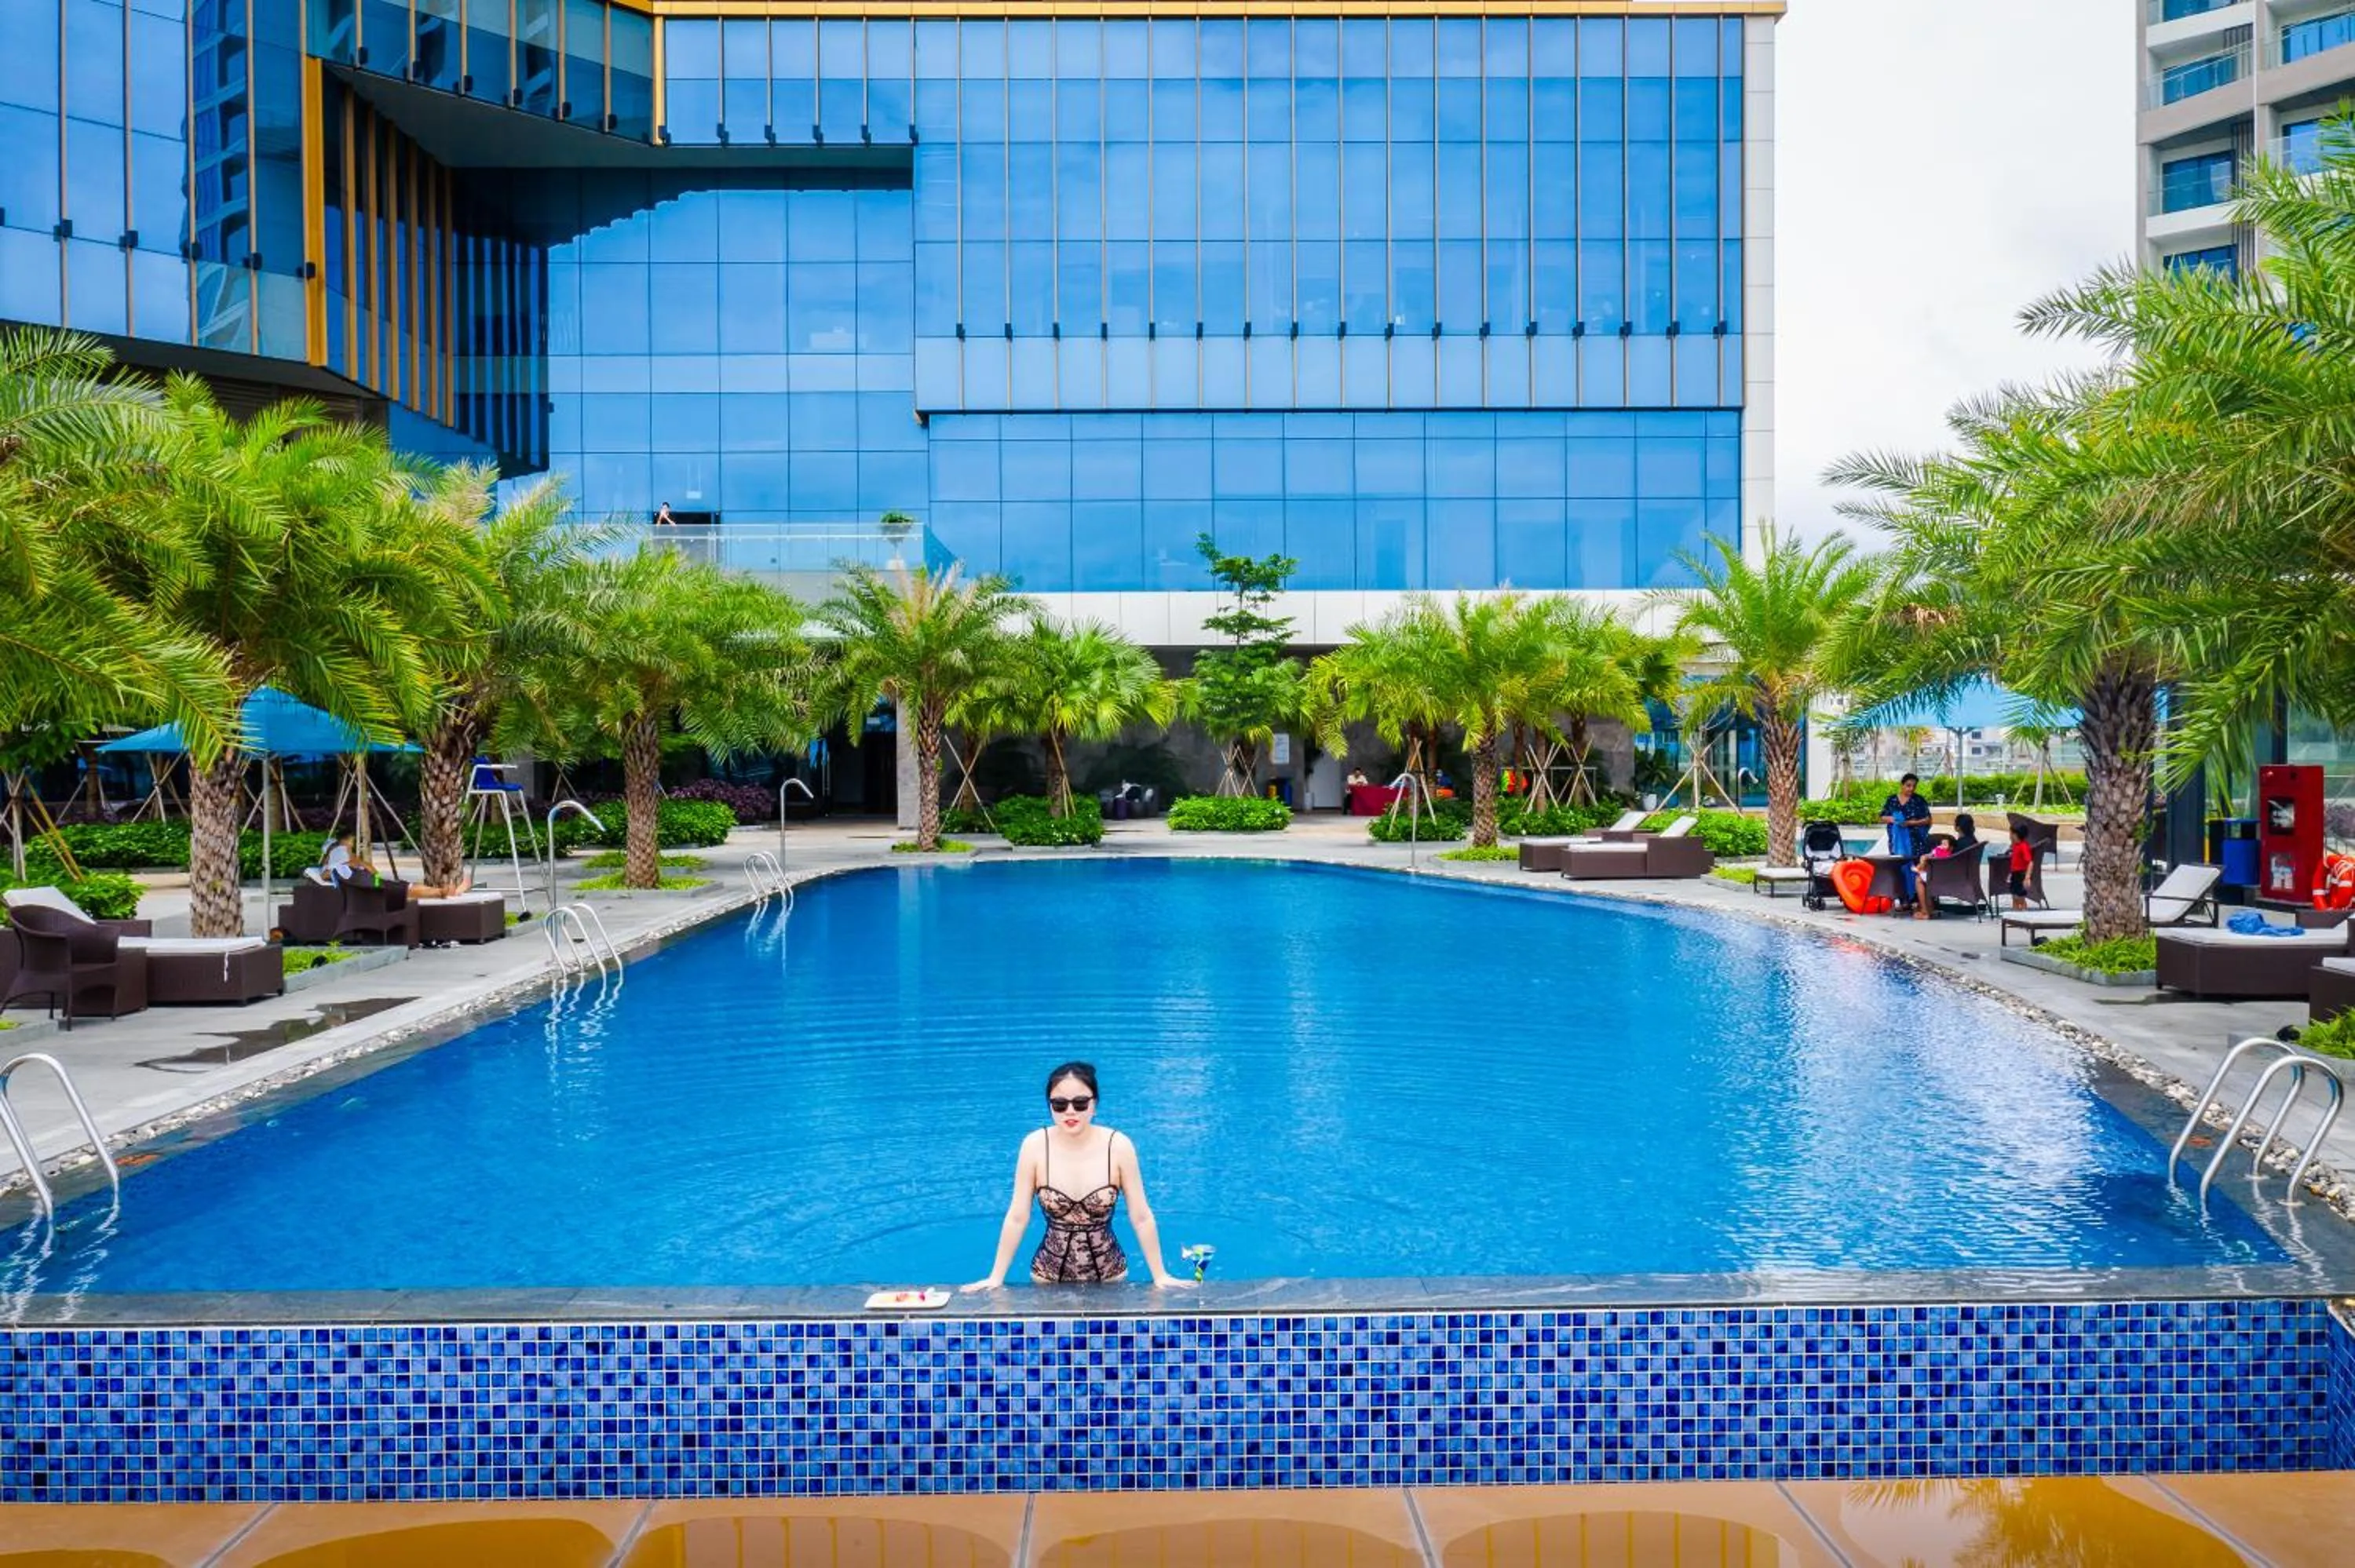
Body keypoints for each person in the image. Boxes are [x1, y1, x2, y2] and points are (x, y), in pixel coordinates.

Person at [964, 1062, 1192, 1291]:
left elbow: (1141, 1217)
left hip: (1110, 1277)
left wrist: (1160, 1275)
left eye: (1080, 1103)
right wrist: (996, 1278)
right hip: (1047, 1278)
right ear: (1050, 1106)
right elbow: (1017, 1217)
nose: (1070, 1112)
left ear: (1095, 1105)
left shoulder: (1118, 1146)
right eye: (1060, 1104)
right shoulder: (1034, 1146)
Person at [1914, 811, 1979, 921]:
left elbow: (1948, 861)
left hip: (1953, 878)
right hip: (1967, 876)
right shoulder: (1974, 842)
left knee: (1919, 879)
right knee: (1927, 873)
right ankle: (1930, 908)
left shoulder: (1959, 845)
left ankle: (1925, 912)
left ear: (1957, 828)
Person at [1880, 773, 1933, 906]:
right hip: (1896, 841)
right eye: (1908, 786)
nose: (1911, 789)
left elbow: (1928, 820)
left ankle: (1917, 899)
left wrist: (1910, 823)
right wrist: (1893, 819)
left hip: (1915, 842)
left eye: (1914, 786)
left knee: (1914, 868)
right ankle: (1903, 899)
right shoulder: (1892, 800)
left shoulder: (1919, 800)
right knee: (1899, 867)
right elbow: (1882, 817)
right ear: (1902, 785)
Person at [2006, 830, 2036, 910]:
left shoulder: (2024, 846)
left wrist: (2027, 877)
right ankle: (2015, 915)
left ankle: (2024, 915)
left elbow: (2030, 863)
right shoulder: (2015, 845)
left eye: (2011, 833)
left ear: (2016, 835)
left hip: (2021, 874)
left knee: (2020, 898)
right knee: (2014, 897)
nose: (2009, 835)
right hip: (2014, 874)